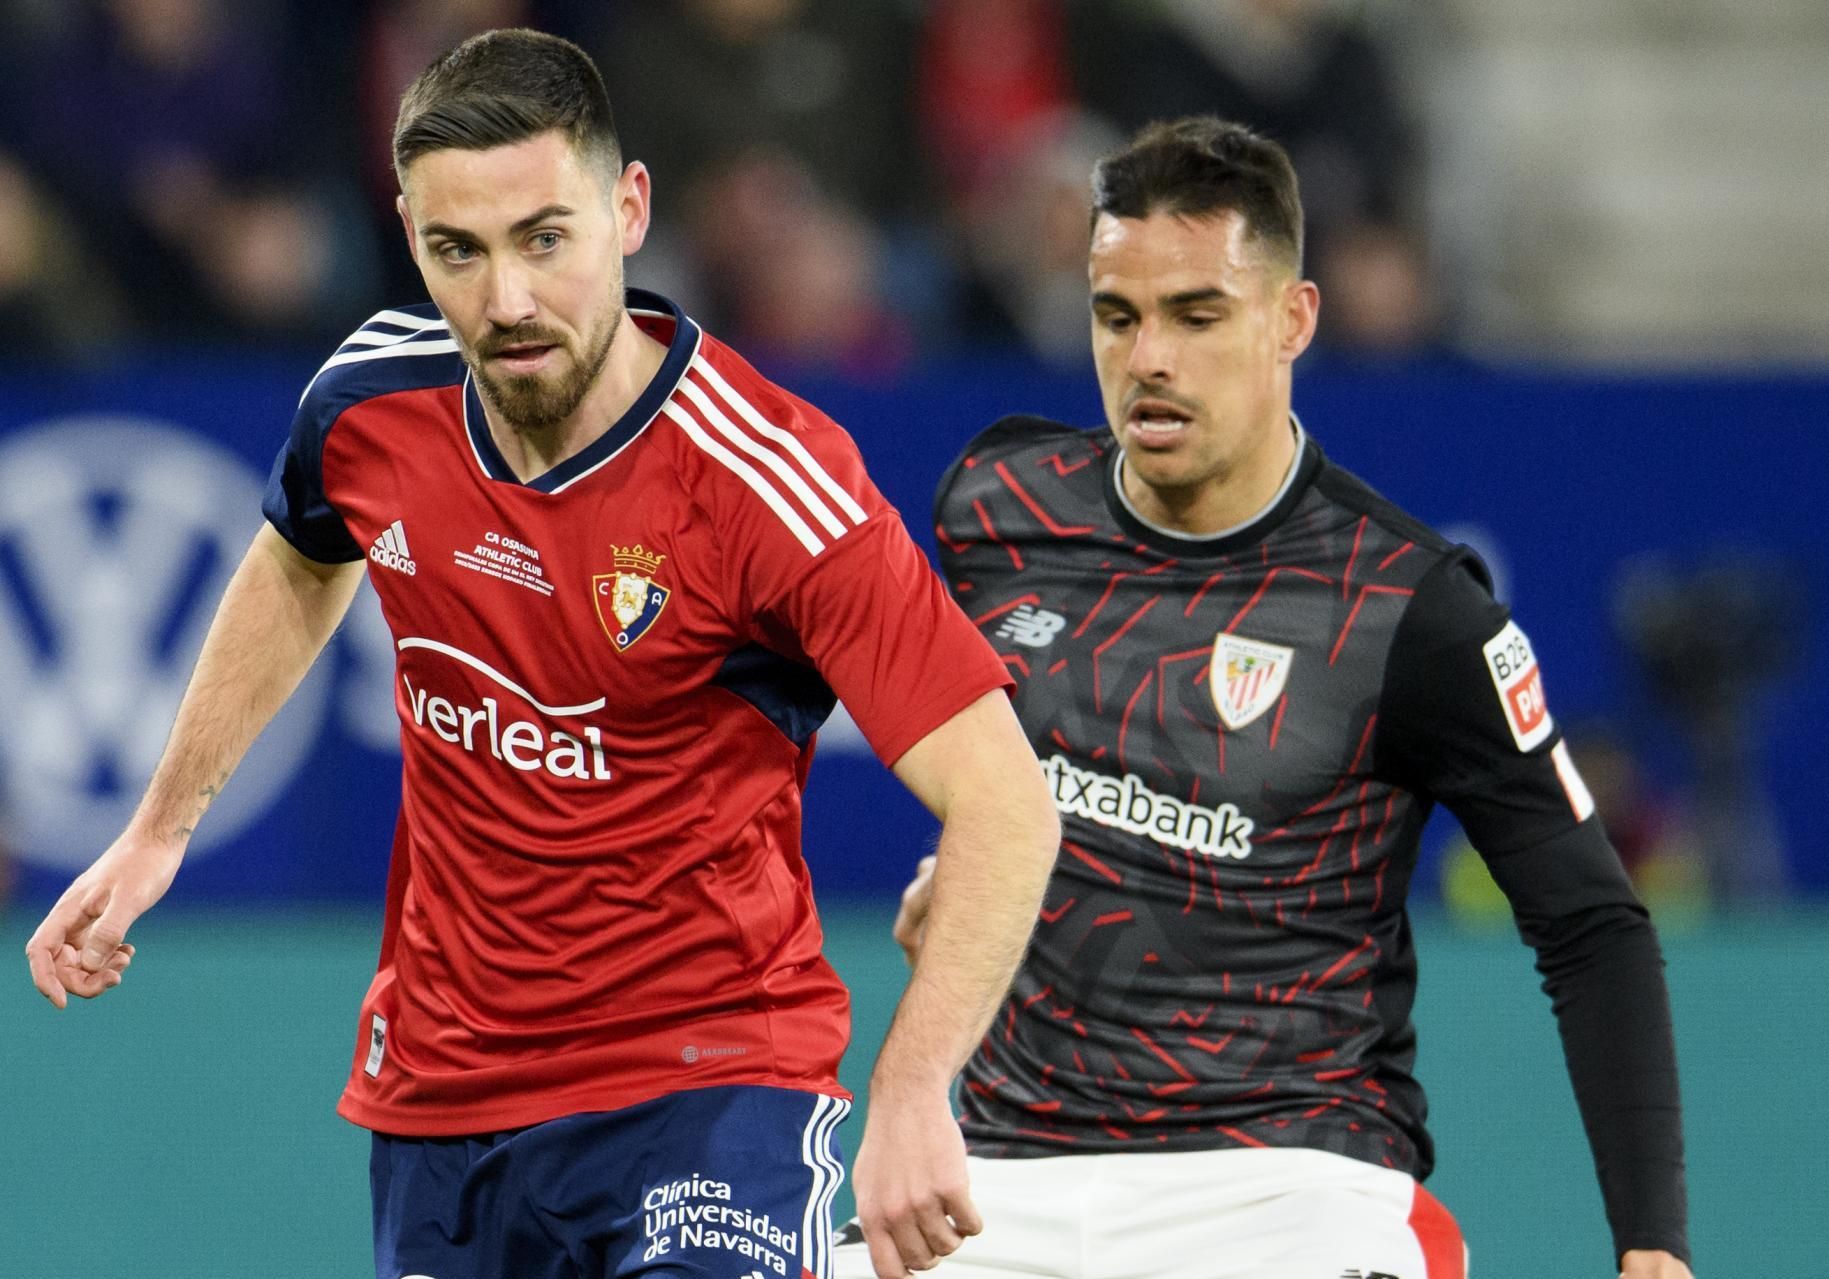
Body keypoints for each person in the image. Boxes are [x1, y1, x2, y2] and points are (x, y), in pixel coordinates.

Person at [25, 29, 1060, 1279]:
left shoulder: (773, 486)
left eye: (543, 239)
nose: (506, 300)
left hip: (710, 1087)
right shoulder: (366, 403)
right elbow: (302, 555)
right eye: (459, 250)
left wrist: (911, 1092)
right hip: (443, 1099)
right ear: (409, 235)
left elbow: (1006, 801)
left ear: (627, 210)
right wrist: (161, 827)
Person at [847, 118, 1692, 1278]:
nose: (1149, 358)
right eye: (1116, 316)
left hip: (1289, 1182)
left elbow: (1591, 923)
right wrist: (980, 869)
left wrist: (1653, 1247)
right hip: (1005, 1184)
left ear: (1291, 320)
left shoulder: (1412, 606)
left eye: (1197, 315)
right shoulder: (997, 505)